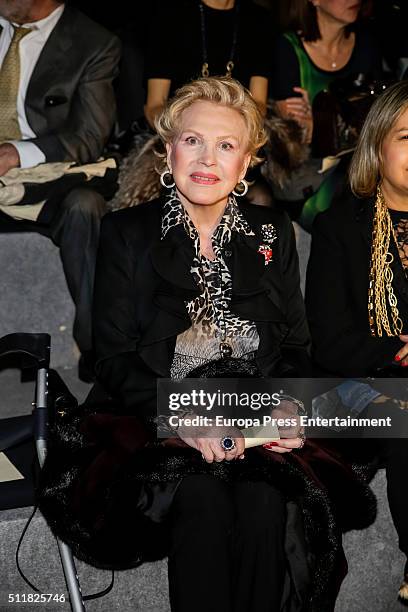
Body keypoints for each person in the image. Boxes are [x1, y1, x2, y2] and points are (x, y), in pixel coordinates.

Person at [38, 77, 376, 612]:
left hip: (249, 407)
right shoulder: (126, 232)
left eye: (226, 145)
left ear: (245, 166)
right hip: (154, 411)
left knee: (268, 501)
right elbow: (114, 358)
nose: (206, 158)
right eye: (192, 140)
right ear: (168, 150)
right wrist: (185, 416)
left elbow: (294, 345)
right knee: (199, 497)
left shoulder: (273, 233)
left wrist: (283, 404)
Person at [306, 80, 408, 603]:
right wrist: (397, 351)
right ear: (376, 146)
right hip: (358, 384)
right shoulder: (339, 228)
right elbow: (330, 342)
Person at [0, 0, 121, 381]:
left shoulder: (93, 42)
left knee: (86, 205)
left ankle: (97, 348)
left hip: (44, 174)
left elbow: (89, 136)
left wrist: (15, 154)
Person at [269, 0, 383, 230]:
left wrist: (321, 123)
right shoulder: (287, 47)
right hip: (303, 173)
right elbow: (291, 139)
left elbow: (378, 118)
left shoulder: (366, 43)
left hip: (359, 164)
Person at [144, 0, 272, 128]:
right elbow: (155, 106)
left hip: (237, 133)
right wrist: (189, 132)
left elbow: (259, 104)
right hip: (178, 131)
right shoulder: (169, 15)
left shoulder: (259, 19)